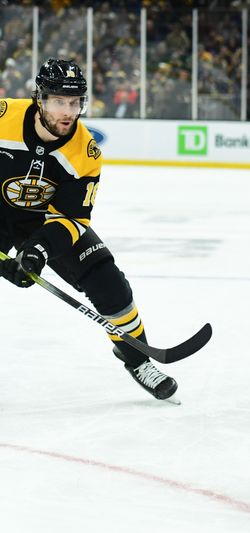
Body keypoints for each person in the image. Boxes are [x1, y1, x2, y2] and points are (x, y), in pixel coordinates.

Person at [0, 59, 178, 402]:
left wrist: (38, 250)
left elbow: (71, 218)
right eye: (58, 101)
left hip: (43, 223)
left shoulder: (85, 152)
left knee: (109, 284)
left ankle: (136, 358)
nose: (68, 111)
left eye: (75, 102)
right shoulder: (3, 116)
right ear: (39, 98)